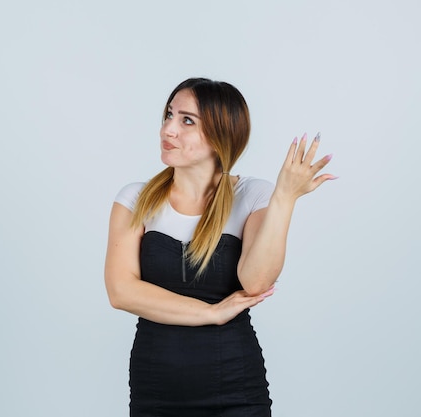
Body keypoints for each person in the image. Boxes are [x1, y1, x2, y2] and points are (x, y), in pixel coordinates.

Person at [104, 78, 336, 416]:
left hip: (236, 388)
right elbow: (121, 291)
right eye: (169, 115)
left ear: (220, 135)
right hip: (154, 388)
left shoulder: (253, 195)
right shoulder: (135, 199)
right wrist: (210, 312)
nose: (168, 129)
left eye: (186, 121)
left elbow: (256, 282)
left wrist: (284, 198)